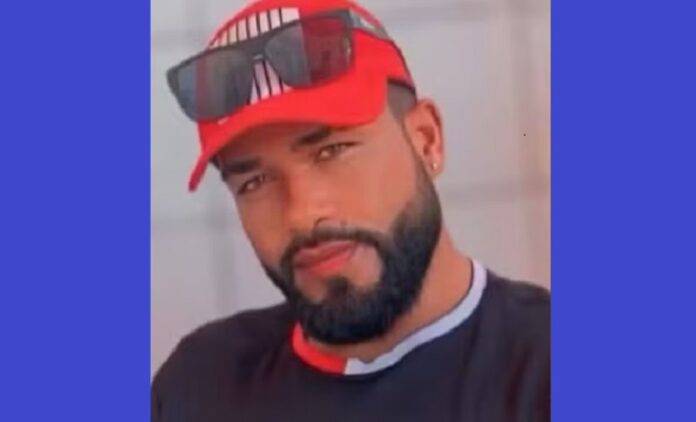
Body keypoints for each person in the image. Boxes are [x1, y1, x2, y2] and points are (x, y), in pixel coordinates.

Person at [152, 0, 550, 420]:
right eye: (254, 182)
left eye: (332, 151)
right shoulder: (198, 387)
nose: (302, 215)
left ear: (426, 140)